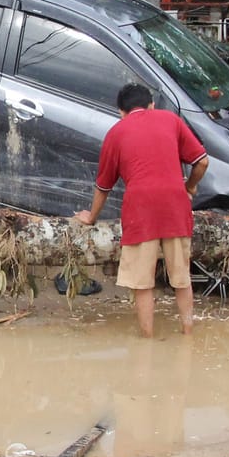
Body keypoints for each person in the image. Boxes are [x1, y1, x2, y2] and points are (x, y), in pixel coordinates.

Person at [73, 82, 209, 337]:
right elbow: (202, 161)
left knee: (142, 282)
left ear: (121, 111)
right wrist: (189, 187)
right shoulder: (171, 120)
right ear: (151, 105)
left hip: (140, 209)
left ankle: (147, 338)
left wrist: (91, 217)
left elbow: (103, 186)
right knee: (181, 278)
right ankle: (188, 333)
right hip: (175, 205)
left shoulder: (116, 132)